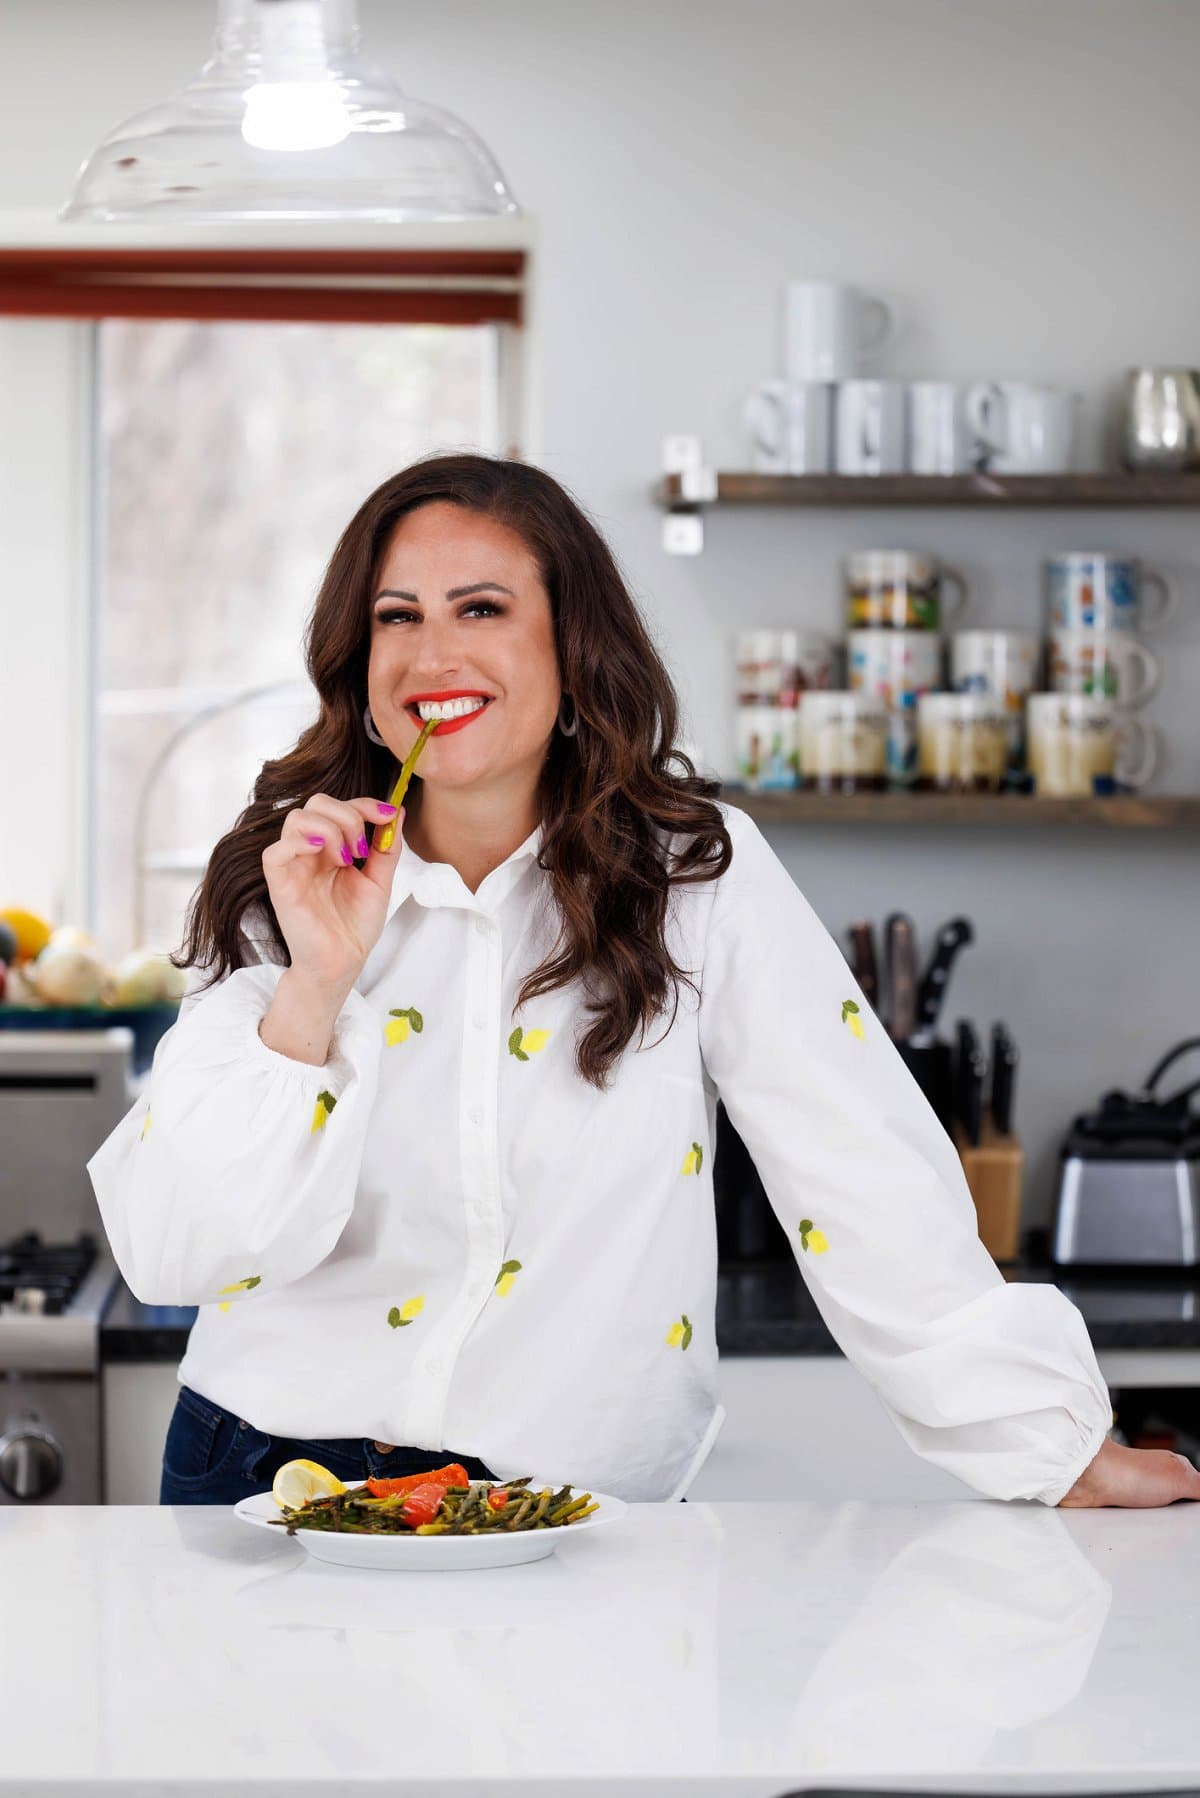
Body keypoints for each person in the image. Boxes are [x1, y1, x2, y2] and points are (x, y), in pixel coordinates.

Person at [89, 452, 1197, 1510]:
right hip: (264, 1470)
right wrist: (317, 984)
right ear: (357, 662)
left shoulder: (695, 873)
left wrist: (1055, 1446)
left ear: (572, 649)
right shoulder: (286, 879)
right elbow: (181, 1245)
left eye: (481, 609)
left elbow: (859, 1165)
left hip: (563, 1499)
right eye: (397, 616)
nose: (433, 657)